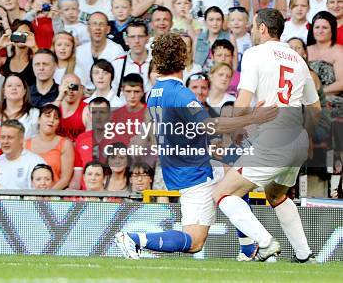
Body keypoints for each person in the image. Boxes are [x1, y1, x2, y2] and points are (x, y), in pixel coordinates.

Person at [115, 32, 277, 258]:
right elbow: (209, 126)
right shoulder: (179, 93)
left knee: (238, 180)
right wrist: (253, 118)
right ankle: (134, 238)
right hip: (196, 173)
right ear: (183, 57)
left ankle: (250, 248)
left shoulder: (154, 93)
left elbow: (181, 130)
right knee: (194, 242)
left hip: (184, 165)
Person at [213, 8, 321, 263]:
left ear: (262, 28)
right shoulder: (297, 59)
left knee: (222, 193)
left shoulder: (254, 54)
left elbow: (243, 101)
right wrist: (307, 138)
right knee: (275, 194)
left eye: (253, 25)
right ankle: (305, 255)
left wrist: (232, 129)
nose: (251, 29)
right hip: (298, 137)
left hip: (274, 137)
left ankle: (265, 243)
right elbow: (315, 109)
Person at [76, 12, 124, 91]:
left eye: (101, 24)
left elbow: (117, 81)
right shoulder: (79, 51)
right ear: (88, 28)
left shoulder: (117, 50)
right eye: (94, 24)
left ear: (108, 29)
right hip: (83, 95)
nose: (98, 28)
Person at [0, 119, 46, 189]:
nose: (5, 141)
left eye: (10, 137)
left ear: (21, 139)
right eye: (2, 137)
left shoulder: (36, 163)